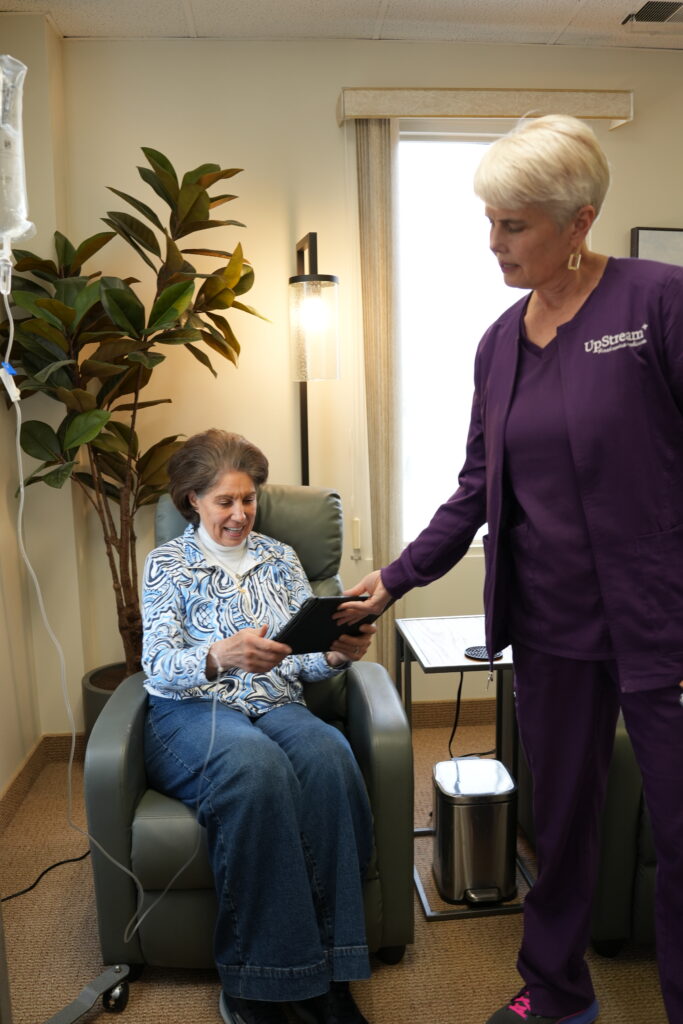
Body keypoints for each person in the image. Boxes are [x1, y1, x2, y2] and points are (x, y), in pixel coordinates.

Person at [337, 115, 683, 1024]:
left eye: (514, 225)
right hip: (553, 626)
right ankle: (557, 993)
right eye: (489, 222)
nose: (493, 244)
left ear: (579, 221)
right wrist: (398, 577)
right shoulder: (499, 342)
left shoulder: (658, 303)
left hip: (663, 623)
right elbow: (477, 487)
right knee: (559, 824)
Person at [142, 429, 376, 1024]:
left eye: (248, 500)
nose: (240, 514)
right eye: (224, 501)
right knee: (256, 769)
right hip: (192, 711)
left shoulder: (281, 558)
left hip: (276, 703)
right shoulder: (167, 563)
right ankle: (259, 984)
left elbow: (295, 655)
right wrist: (220, 655)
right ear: (192, 499)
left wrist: (335, 654)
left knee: (330, 758)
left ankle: (330, 975)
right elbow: (159, 666)